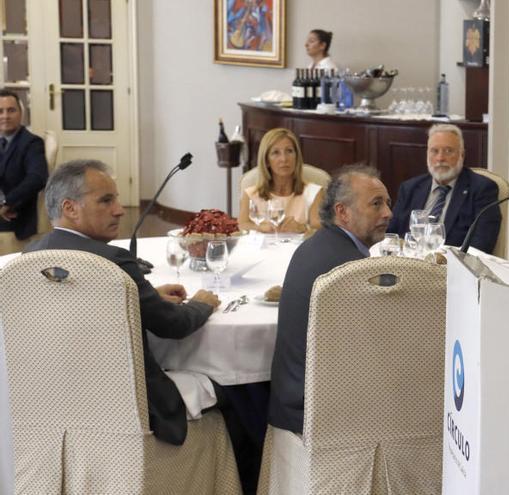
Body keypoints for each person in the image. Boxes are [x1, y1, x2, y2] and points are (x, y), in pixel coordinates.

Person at [25, 160, 222, 446]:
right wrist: (203, 303)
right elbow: (173, 325)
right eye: (106, 201)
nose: (119, 210)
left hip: (49, 402)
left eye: (116, 199)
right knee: (237, 391)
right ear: (69, 208)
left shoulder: (30, 256)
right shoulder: (114, 263)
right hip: (126, 406)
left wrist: (140, 293)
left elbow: (75, 308)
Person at [268, 164, 391, 434]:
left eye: (387, 203)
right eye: (376, 204)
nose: (388, 213)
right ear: (342, 212)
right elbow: (376, 348)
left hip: (289, 400)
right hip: (317, 414)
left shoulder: (314, 245)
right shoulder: (349, 269)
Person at [387, 124, 501, 253]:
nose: (440, 158)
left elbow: (482, 245)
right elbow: (391, 234)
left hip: (452, 267)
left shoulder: (482, 189)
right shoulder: (410, 188)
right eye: (434, 151)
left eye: (448, 151)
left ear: (462, 155)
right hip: (407, 265)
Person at [238, 128, 324, 235]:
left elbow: (321, 230)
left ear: (296, 157)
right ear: (266, 161)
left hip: (300, 250)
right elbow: (241, 225)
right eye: (276, 153)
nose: (284, 159)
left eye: (289, 151)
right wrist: (260, 227)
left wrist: (302, 227)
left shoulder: (314, 193)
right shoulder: (251, 194)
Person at [0, 89, 49, 249]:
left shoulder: (32, 143)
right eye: (0, 111)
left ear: (21, 114)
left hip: (15, 212)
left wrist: (7, 203)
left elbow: (37, 178)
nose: (5, 116)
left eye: (11, 110)